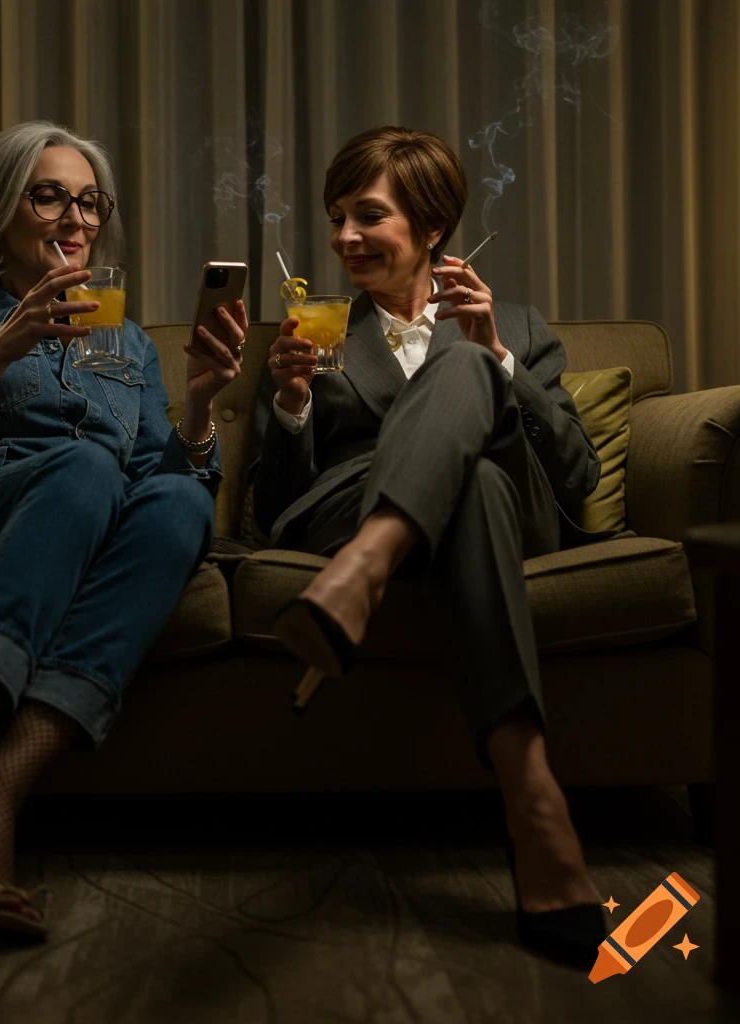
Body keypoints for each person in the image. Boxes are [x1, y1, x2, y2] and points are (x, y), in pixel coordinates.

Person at [0, 120, 247, 963]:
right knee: (87, 465)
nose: (76, 217)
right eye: (50, 194)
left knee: (174, 504)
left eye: (90, 201)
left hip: (86, 506)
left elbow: (161, 479)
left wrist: (201, 407)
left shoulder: (127, 340)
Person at [252, 125, 606, 967]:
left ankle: (363, 572)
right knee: (473, 485)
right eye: (337, 217)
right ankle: (533, 798)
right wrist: (293, 404)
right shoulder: (318, 328)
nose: (343, 238)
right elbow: (272, 511)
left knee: (473, 402)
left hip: (497, 508)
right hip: (345, 506)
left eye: (367, 216)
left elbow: (580, 474)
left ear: (434, 227)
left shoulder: (513, 323)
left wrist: (500, 361)